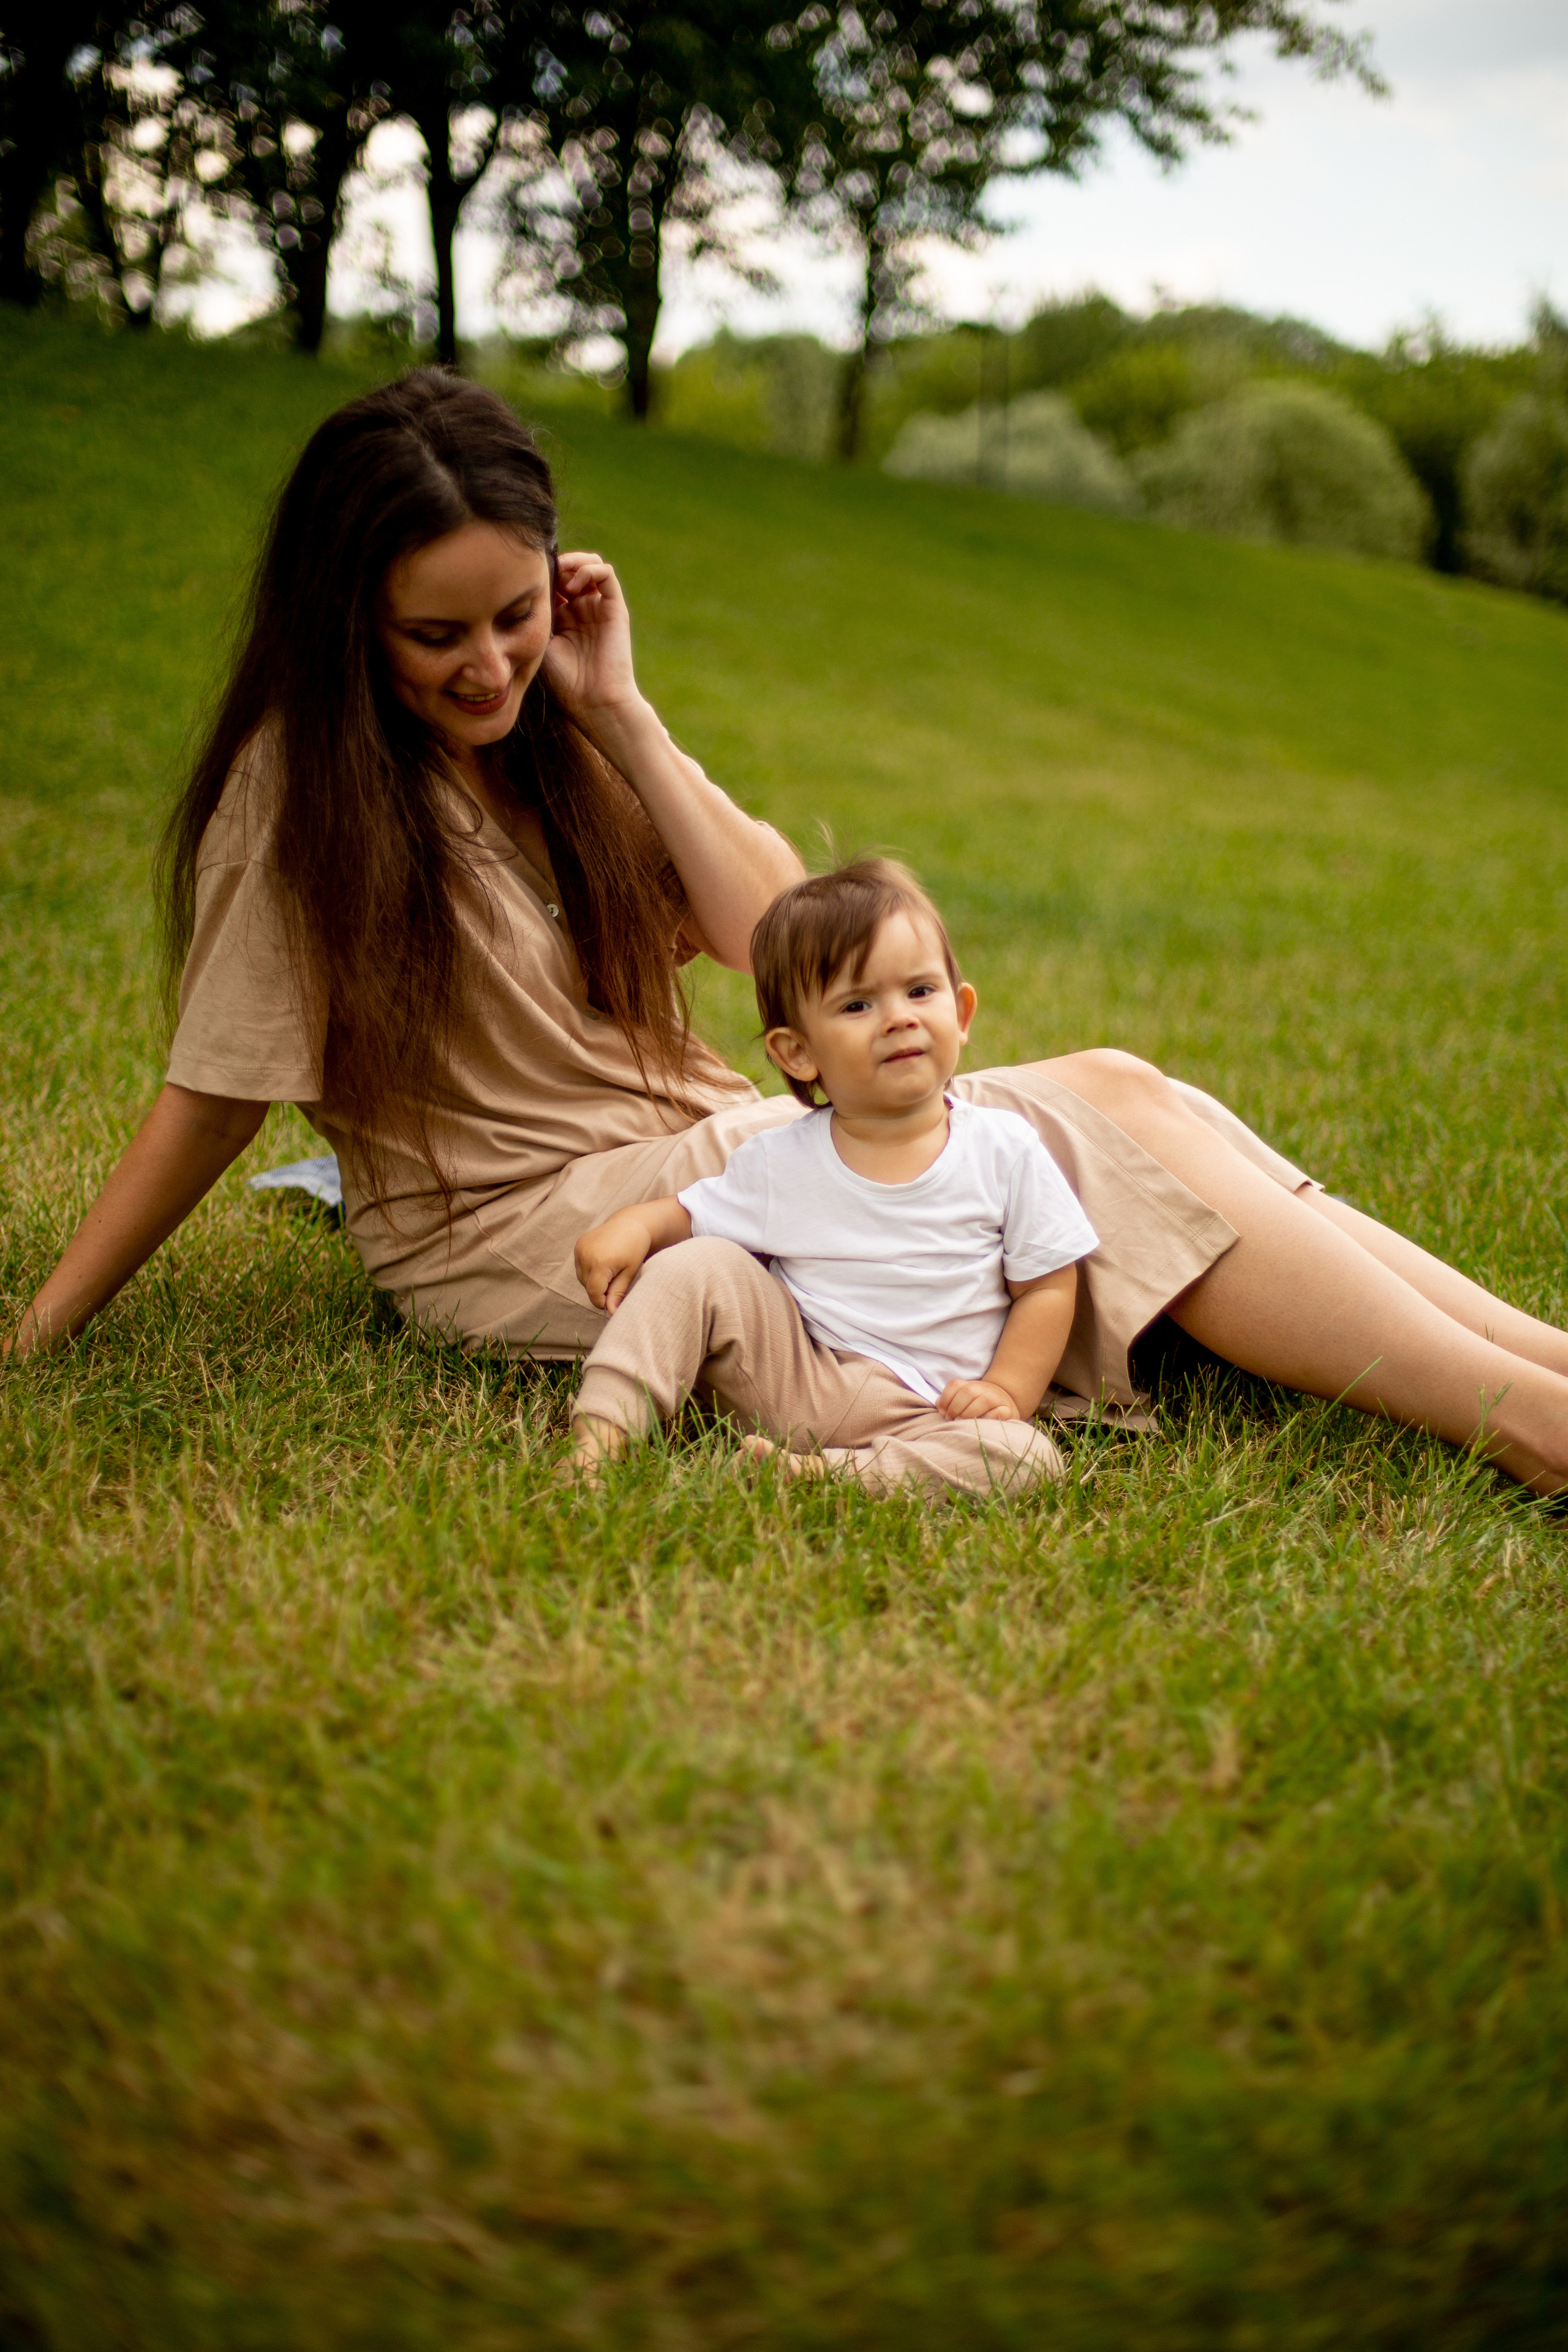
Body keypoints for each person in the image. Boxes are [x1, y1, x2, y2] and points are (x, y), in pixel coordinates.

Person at [9, 369, 1568, 1501]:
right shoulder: (301, 795)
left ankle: (1538, 1361)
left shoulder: (555, 735)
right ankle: (1525, 1426)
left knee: (1114, 1084)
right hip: (527, 1224)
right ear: (347, 614)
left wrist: (619, 711)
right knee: (1061, 1122)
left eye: (514, 615)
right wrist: (43, 1329)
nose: (488, 665)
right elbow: (212, 1101)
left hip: (703, 1142)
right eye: (437, 633)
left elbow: (778, 942)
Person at [570, 860, 1099, 1497]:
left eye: (920, 991)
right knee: (696, 1264)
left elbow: (1047, 1285)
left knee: (1025, 1457)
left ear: (961, 1013)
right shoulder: (780, 1160)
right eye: (857, 1004)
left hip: (929, 1411)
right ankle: (598, 1443)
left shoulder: (1004, 1149)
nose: (898, 1018)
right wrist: (633, 1226)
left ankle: (827, 1477)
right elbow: (687, 1215)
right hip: (797, 1376)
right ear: (798, 1052)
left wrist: (1006, 1390)